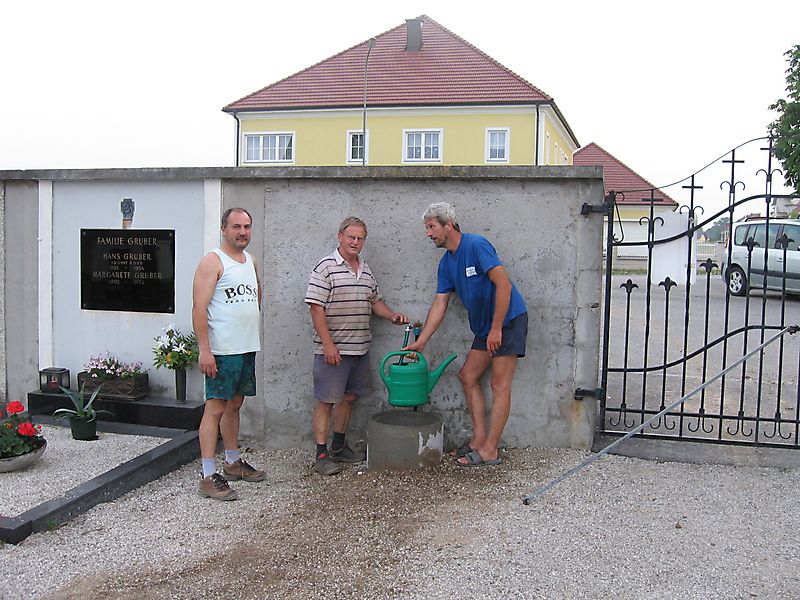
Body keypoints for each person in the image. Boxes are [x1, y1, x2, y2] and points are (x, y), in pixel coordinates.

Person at [404, 202, 528, 467]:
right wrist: (422, 341)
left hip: (508, 320)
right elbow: (440, 304)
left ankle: (490, 450)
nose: (428, 233)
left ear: (449, 225)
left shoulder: (476, 245)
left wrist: (496, 329)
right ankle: (478, 439)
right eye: (427, 228)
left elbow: (503, 284)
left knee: (499, 384)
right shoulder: (446, 263)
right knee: (468, 375)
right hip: (485, 327)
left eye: (432, 227)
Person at [305, 217, 409, 475]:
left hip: (359, 348)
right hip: (333, 350)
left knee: (349, 398)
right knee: (326, 400)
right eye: (351, 237)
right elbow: (315, 307)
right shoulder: (325, 267)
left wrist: (391, 315)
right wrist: (328, 345)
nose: (355, 242)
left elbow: (375, 301)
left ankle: (339, 447)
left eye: (360, 238)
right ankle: (321, 454)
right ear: (340, 236)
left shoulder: (365, 269)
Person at [192, 207, 265, 500]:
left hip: (245, 347)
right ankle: (208, 475)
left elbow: (257, 297)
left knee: (235, 404)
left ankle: (233, 461)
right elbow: (199, 308)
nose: (242, 232)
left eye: (247, 226)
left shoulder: (251, 261)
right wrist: (205, 350)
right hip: (221, 351)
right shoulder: (213, 261)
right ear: (224, 229)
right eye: (236, 226)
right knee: (216, 407)